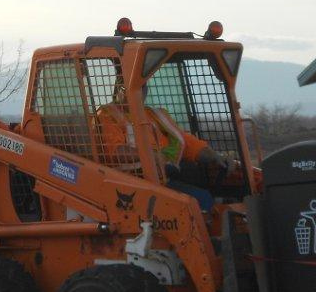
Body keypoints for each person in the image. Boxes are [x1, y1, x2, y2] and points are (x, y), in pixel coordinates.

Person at [97, 87, 230, 211]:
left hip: (164, 176)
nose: (140, 91)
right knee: (202, 199)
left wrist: (214, 156)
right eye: (131, 87)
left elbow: (185, 142)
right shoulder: (107, 115)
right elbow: (114, 152)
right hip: (134, 181)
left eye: (142, 86)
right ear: (119, 89)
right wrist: (151, 155)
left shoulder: (154, 115)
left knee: (205, 182)